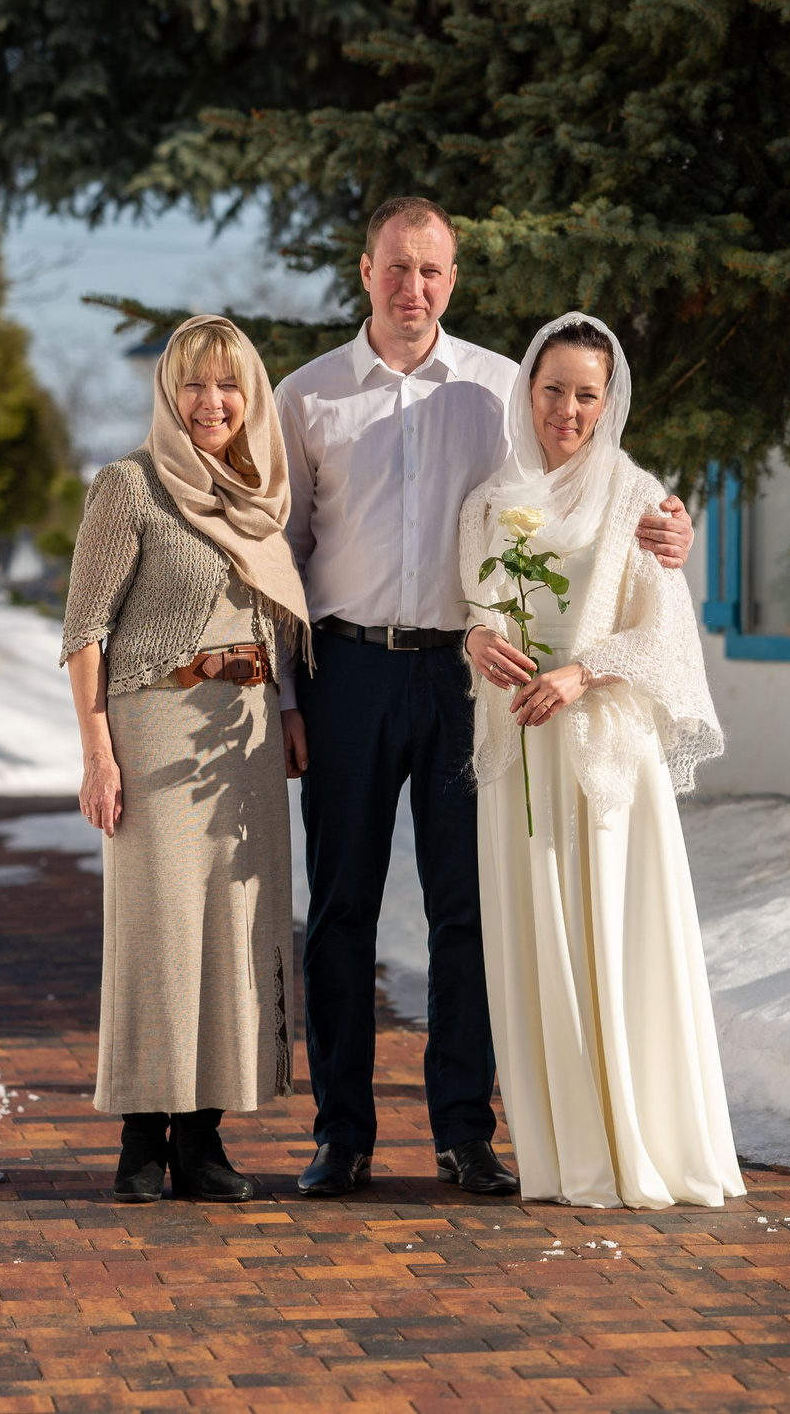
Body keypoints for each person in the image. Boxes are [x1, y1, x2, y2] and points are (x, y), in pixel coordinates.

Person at [275, 197, 694, 1198]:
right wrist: (288, 696)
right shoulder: (307, 396)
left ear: (452, 279)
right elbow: (282, 552)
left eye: (432, 269)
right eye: (396, 265)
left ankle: (465, 1131)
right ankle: (342, 1134)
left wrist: (671, 525)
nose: (412, 286)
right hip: (346, 672)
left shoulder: (502, 387)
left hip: (469, 680)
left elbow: (588, 485)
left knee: (467, 907)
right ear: (365, 269)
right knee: (340, 907)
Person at [459, 312, 742, 1208]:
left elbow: (665, 635)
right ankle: (566, 1152)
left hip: (605, 756)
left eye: (587, 394)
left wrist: (581, 672)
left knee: (613, 939)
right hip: (521, 754)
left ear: (609, 400)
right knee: (536, 941)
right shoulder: (488, 502)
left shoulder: (639, 499)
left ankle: (637, 1142)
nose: (568, 410)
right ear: (528, 390)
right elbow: (474, 607)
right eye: (554, 389)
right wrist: (479, 641)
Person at [61, 315, 311, 1203]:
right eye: (195, 383)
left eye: (229, 384)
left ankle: (202, 1138)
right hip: (157, 729)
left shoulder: (261, 495)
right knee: (158, 929)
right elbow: (84, 631)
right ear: (170, 393)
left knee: (233, 929)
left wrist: (287, 708)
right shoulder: (129, 485)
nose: (213, 401)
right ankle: (142, 1135)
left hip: (244, 734)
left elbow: (277, 620)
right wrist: (98, 753)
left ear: (251, 396)